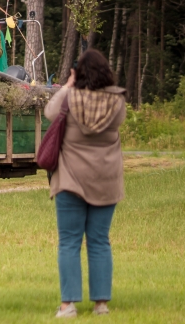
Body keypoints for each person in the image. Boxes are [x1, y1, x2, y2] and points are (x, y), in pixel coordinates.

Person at [44, 49, 127, 318]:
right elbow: (119, 123)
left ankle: (68, 305)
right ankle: (101, 304)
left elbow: (49, 112)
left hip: (71, 180)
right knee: (100, 241)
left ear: (78, 73)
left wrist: (68, 84)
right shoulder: (118, 102)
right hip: (106, 180)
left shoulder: (68, 97)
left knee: (69, 242)